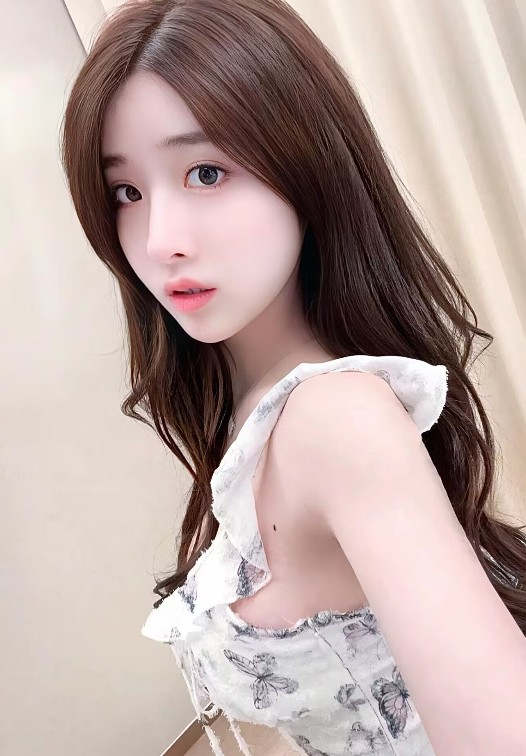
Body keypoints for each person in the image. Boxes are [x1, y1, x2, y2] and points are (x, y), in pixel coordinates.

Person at [60, 0, 526, 753]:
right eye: (127, 193)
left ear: (307, 164)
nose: (159, 239)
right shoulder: (248, 400)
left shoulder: (336, 419)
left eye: (206, 172)